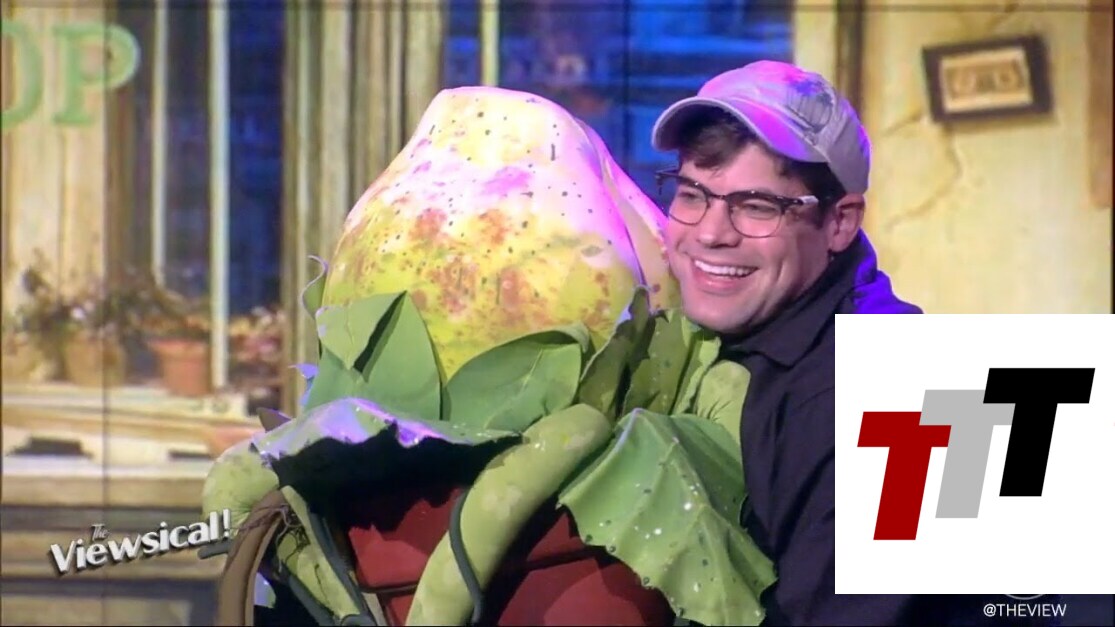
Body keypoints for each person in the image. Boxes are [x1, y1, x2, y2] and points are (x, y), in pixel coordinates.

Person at [649, 61, 1056, 626]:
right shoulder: (719, 341)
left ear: (839, 223)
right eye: (693, 194)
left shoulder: (900, 393)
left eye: (757, 206)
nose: (711, 233)